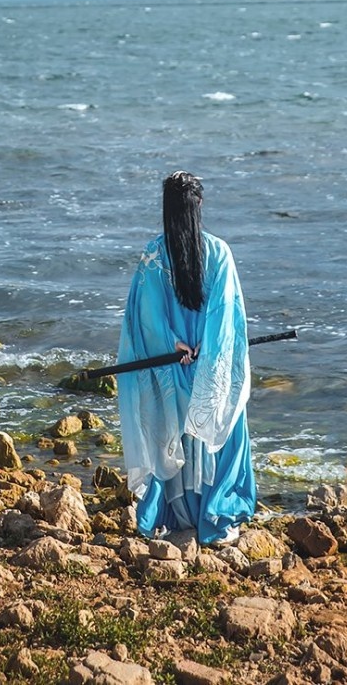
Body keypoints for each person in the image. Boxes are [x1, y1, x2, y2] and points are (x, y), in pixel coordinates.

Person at [117, 170, 256, 543]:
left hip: (172, 366)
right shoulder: (219, 253)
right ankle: (216, 515)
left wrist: (173, 344)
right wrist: (206, 353)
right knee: (222, 428)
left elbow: (144, 315)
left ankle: (177, 518)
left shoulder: (153, 254)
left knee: (171, 430)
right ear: (200, 205)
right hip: (207, 365)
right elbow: (226, 317)